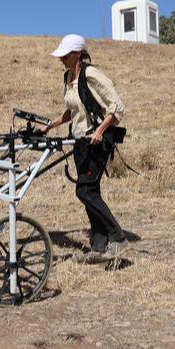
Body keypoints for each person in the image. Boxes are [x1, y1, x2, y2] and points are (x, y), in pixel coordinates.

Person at [41, 34, 128, 260]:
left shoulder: (91, 74)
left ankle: (118, 237)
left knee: (84, 190)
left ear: (78, 54)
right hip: (80, 142)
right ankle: (99, 245)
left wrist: (100, 131)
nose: (62, 59)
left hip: (97, 141)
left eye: (66, 55)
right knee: (91, 191)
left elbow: (117, 107)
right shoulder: (68, 76)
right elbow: (73, 111)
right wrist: (51, 126)